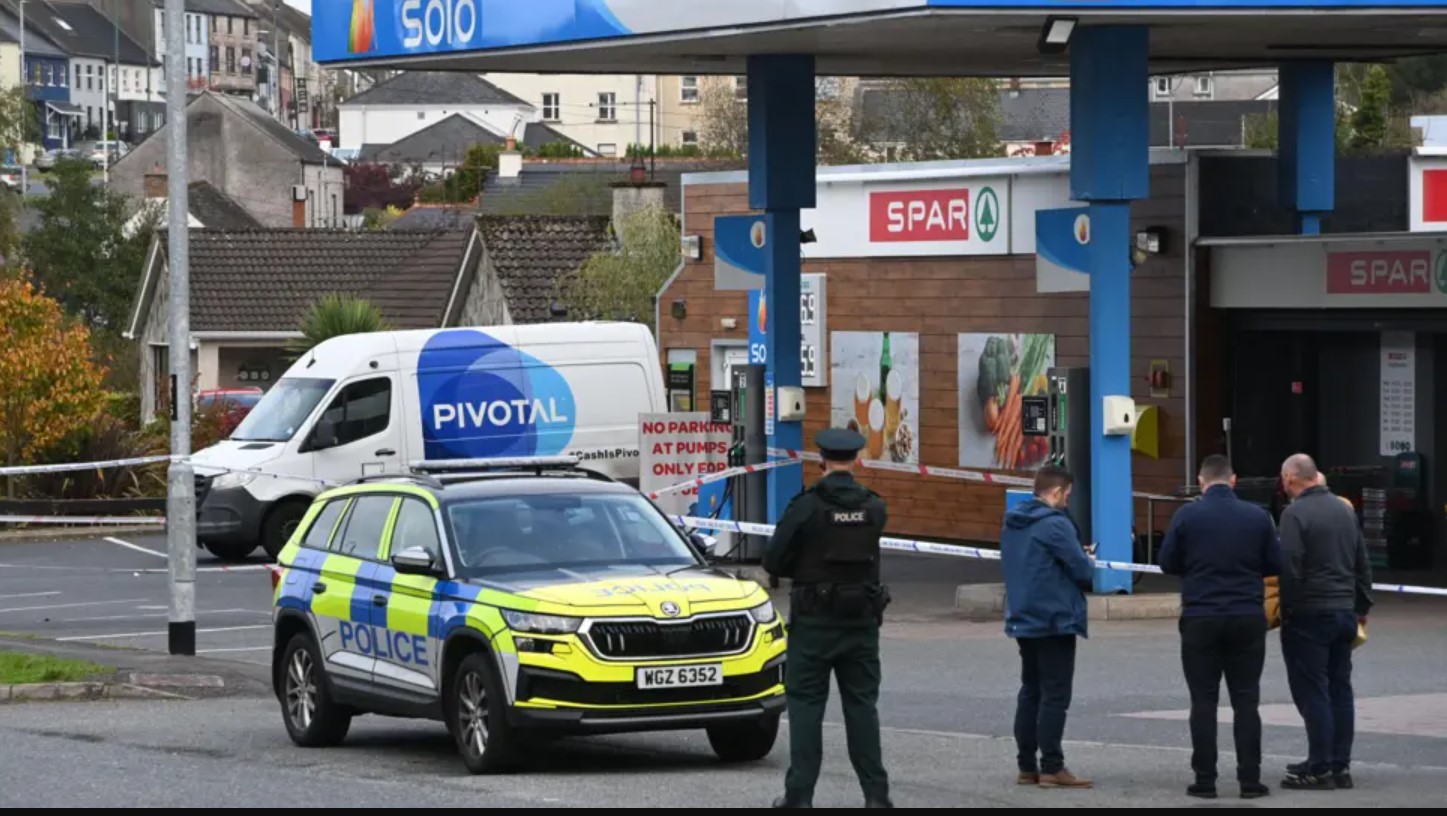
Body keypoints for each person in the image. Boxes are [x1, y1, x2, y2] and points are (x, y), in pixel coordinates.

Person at [764, 427, 893, 808]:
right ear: (856, 460)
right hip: (861, 625)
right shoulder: (874, 506)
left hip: (814, 624)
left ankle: (799, 797)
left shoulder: (807, 506)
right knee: (862, 709)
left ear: (820, 460)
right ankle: (876, 797)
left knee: (806, 708)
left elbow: (774, 559)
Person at [1158, 455, 1283, 800]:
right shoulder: (1257, 517)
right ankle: (1250, 780)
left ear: (1201, 481)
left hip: (1201, 617)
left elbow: (1167, 562)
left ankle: (1205, 780)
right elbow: (1276, 563)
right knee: (1246, 700)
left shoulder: (1187, 515)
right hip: (1246, 616)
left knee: (1203, 700)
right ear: (1233, 480)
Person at [1277, 453, 1374, 791]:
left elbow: (1289, 566)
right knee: (1340, 688)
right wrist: (1361, 607)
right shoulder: (1345, 511)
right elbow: (1362, 563)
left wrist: (1286, 609)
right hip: (1344, 612)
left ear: (1290, 478)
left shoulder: (1294, 514)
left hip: (1309, 614)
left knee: (1312, 689)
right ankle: (1339, 764)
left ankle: (1318, 767)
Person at [1000, 464, 1095, 790]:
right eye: (1067, 494)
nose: (1068, 501)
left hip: (1024, 615)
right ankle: (1052, 766)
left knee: (1031, 691)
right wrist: (1088, 559)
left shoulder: (1014, 520)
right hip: (1054, 618)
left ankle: (1027, 766)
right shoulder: (1055, 524)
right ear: (1056, 492)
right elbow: (1082, 571)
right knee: (1055, 694)